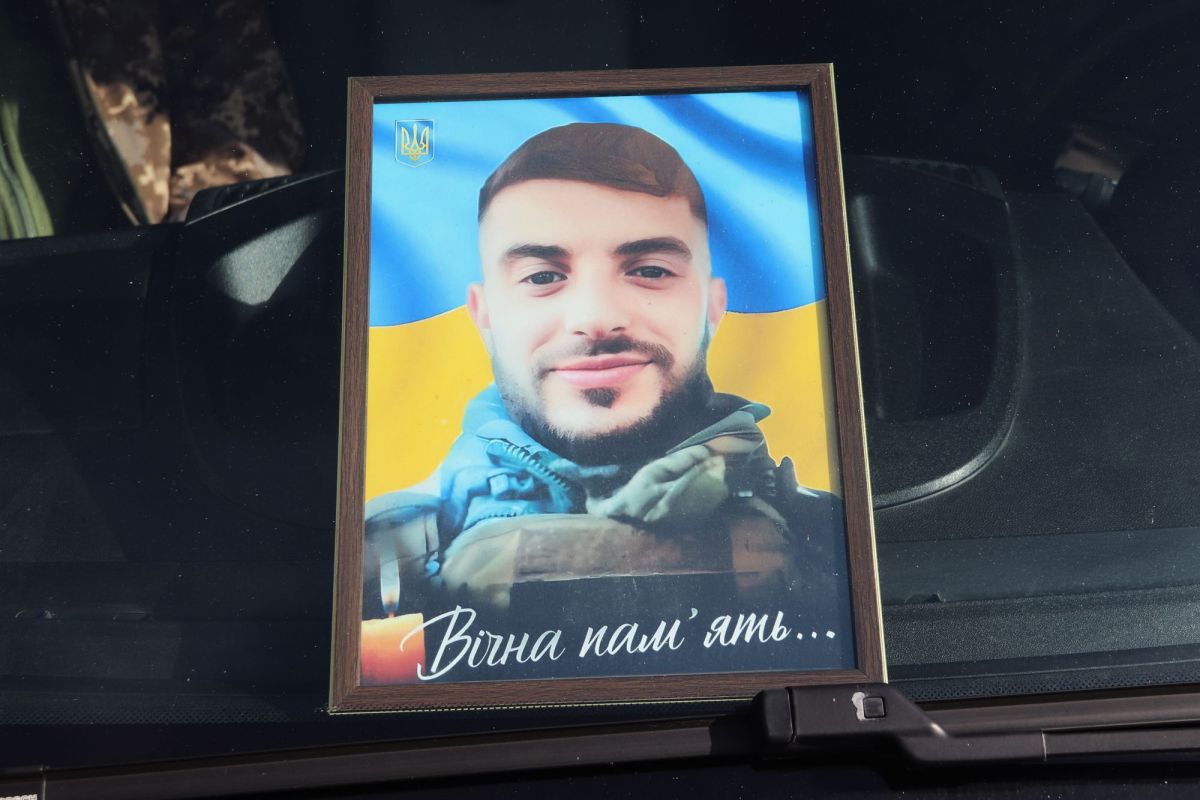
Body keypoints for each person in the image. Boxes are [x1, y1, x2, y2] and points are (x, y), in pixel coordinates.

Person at [363, 123, 847, 625]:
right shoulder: (378, 556)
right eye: (543, 277)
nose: (595, 318)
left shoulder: (833, 540)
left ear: (712, 305)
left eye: (650, 271)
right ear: (483, 315)